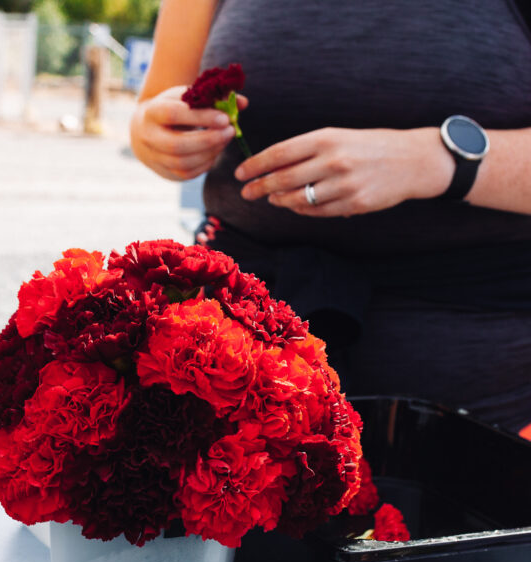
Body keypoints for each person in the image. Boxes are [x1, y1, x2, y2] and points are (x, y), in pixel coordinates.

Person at [130, 0, 531, 439]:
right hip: (231, 371)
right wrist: (157, 134)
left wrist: (437, 160)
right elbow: (154, 105)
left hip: (479, 398)